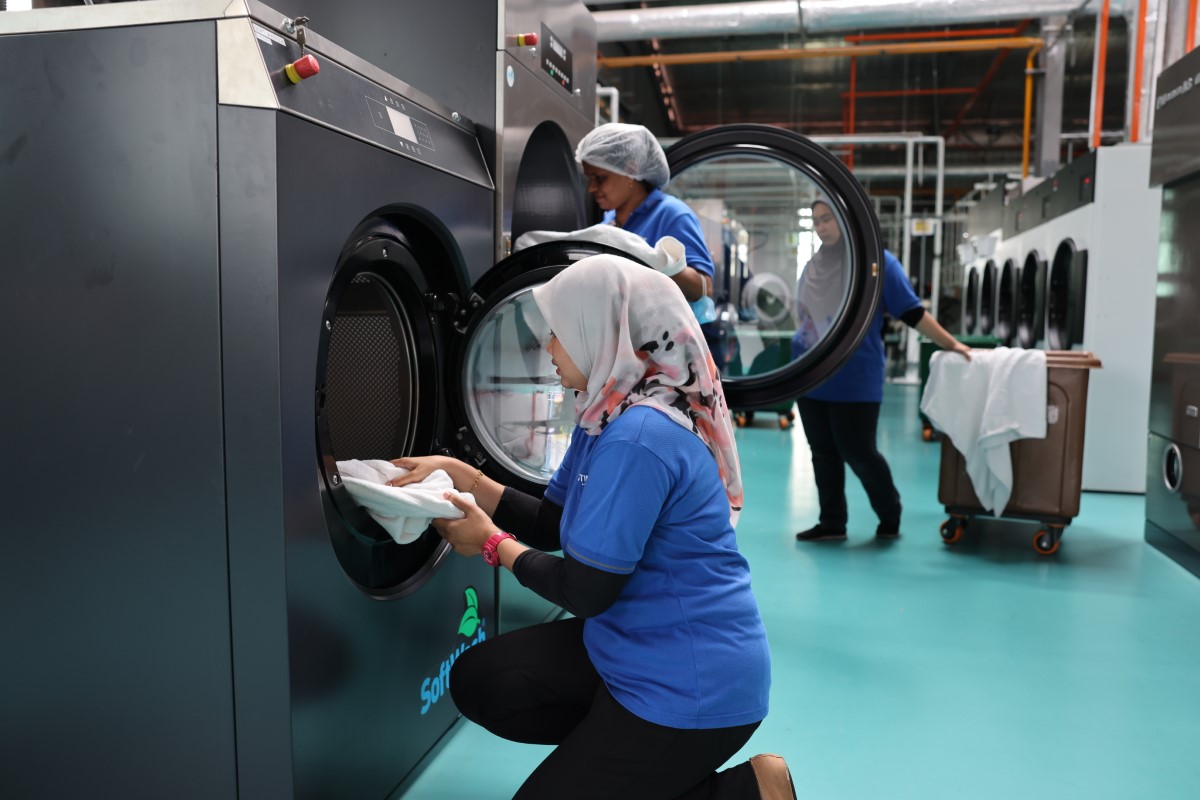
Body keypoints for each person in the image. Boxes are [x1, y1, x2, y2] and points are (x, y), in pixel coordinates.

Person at [388, 255, 796, 799]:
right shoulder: (605, 412)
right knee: (483, 682)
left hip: (690, 684)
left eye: (559, 333)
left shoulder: (641, 436)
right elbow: (557, 524)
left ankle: (744, 791)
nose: (549, 350)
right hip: (631, 647)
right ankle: (621, 762)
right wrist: (470, 479)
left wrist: (491, 542)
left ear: (606, 331)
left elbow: (586, 590)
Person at [792, 196, 970, 542]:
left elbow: (911, 312)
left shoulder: (877, 264)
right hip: (811, 376)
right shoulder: (811, 267)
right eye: (817, 222)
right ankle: (832, 522)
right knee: (823, 453)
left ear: (846, 219)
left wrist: (952, 344)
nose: (823, 227)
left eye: (829, 218)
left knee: (858, 451)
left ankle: (890, 510)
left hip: (855, 377)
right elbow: (804, 317)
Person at [575, 123, 728, 368]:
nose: (592, 188)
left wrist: (654, 261)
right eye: (589, 178)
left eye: (599, 178)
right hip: (625, 350)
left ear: (631, 171)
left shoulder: (672, 214)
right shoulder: (609, 221)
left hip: (667, 355)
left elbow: (704, 287)